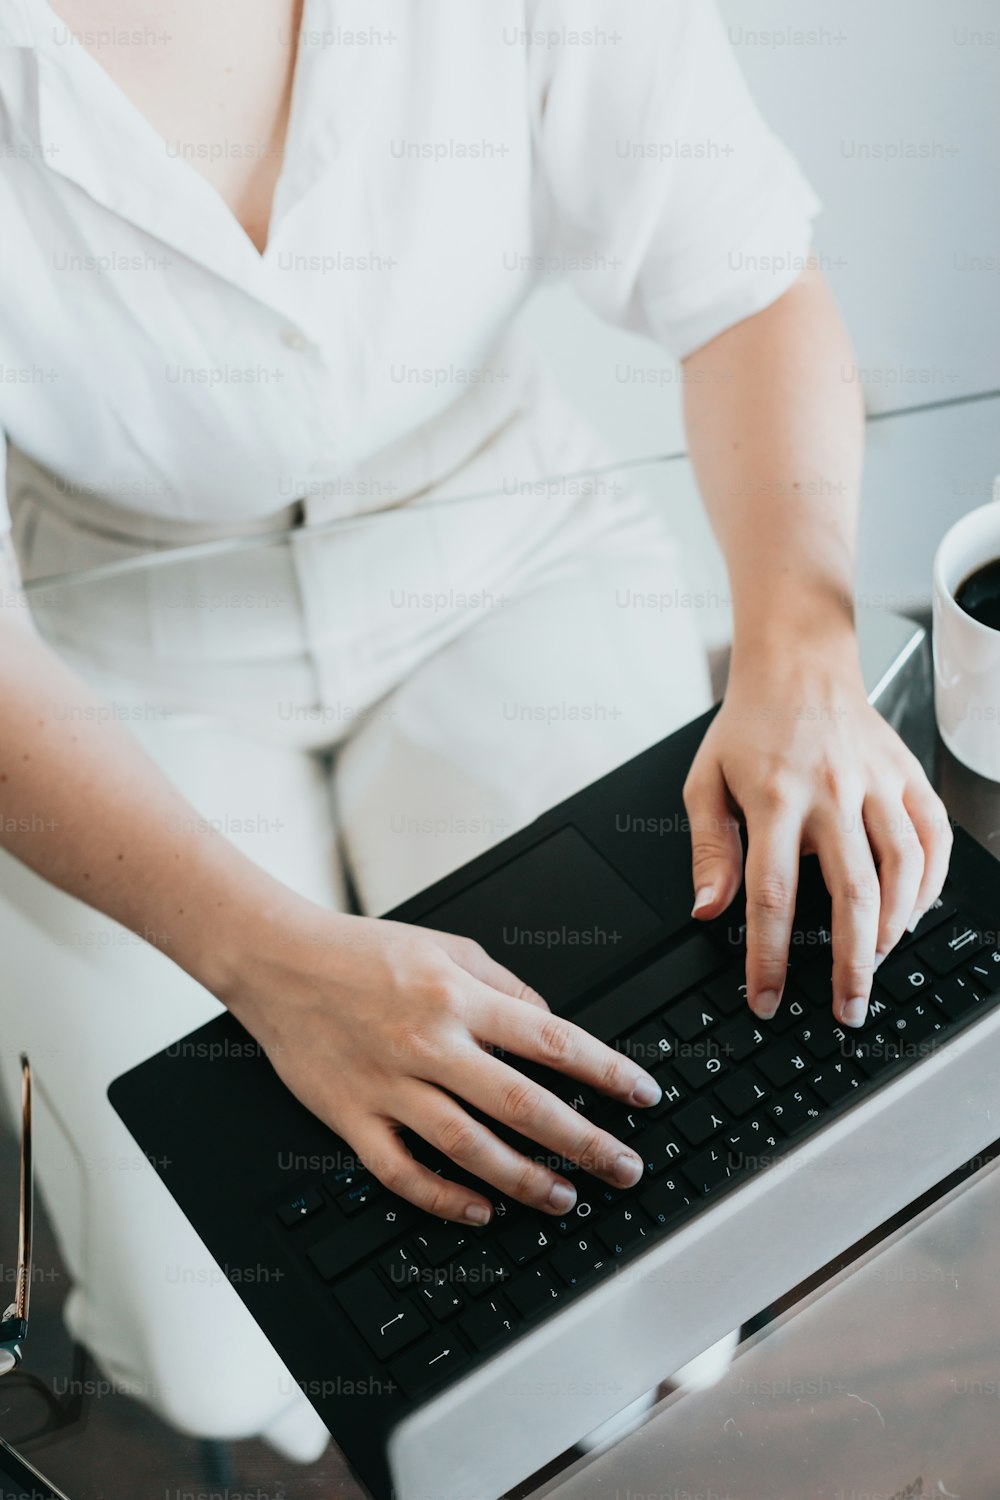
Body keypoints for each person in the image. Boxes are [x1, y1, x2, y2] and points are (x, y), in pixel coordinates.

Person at [0, 0, 951, 1467]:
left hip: (497, 548)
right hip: (107, 639)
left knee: (648, 1281)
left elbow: (745, 283)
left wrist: (802, 653)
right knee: (229, 1365)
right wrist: (264, 959)